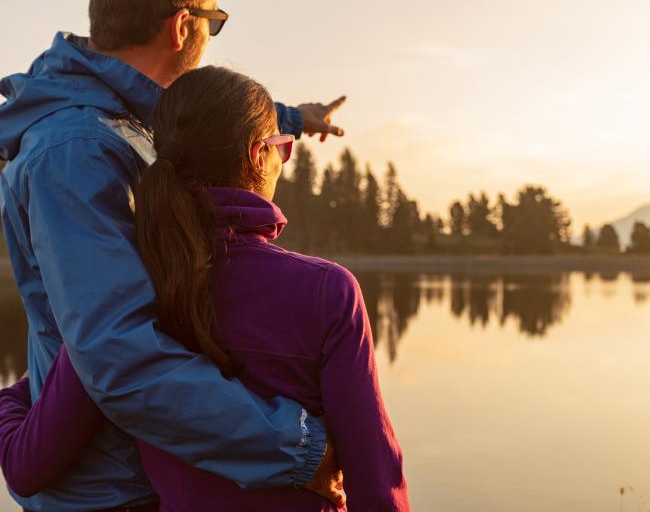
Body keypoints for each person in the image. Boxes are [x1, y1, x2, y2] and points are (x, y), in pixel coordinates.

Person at [0, 0, 350, 509]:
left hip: (150, 475)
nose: (213, 34)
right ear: (183, 26)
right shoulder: (77, 154)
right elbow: (118, 356)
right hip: (109, 494)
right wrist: (298, 448)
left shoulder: (110, 115)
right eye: (216, 21)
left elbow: (196, 124)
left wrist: (290, 119)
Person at [0, 65, 409, 511]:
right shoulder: (328, 294)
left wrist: (12, 396)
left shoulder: (128, 298)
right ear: (257, 157)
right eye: (282, 149)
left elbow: (27, 467)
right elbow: (376, 487)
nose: (283, 162)